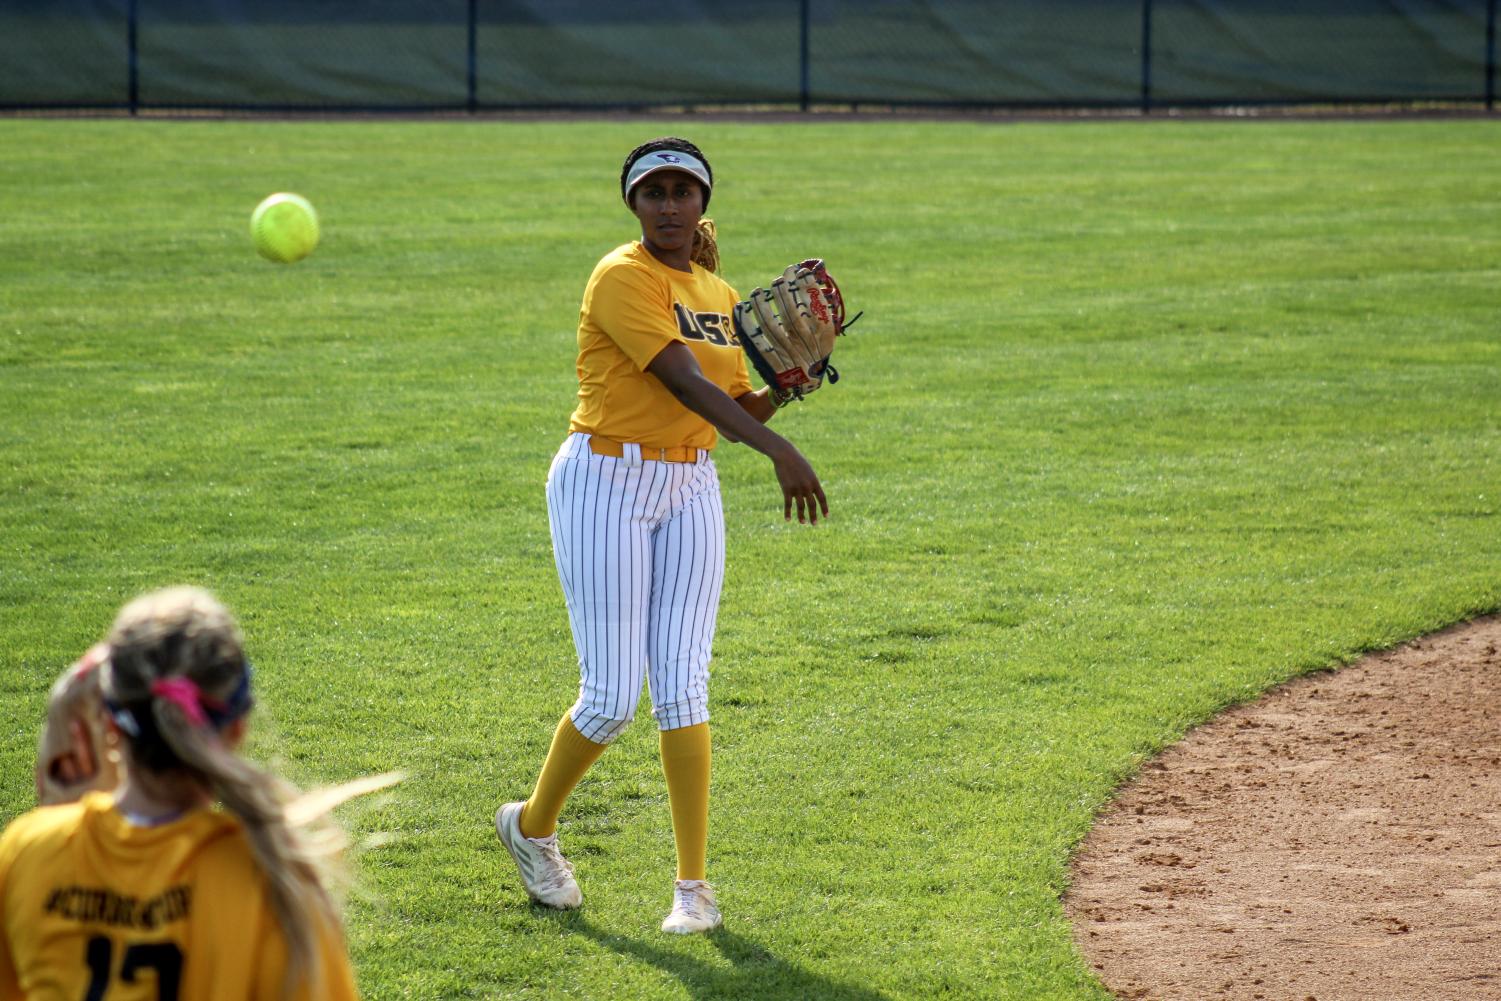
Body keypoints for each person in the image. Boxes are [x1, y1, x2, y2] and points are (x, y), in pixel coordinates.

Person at [495, 137, 827, 934]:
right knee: (610, 699)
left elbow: (734, 409)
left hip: (689, 484)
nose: (670, 204)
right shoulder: (621, 276)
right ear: (632, 203)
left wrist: (787, 388)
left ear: (703, 203)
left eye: (683, 191)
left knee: (683, 687)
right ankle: (531, 826)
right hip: (603, 481)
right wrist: (778, 451)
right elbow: (677, 379)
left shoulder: (718, 290)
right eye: (655, 191)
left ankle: (693, 890)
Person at [0, 586, 361, 1000]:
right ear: (238, 726)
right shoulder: (277, 889)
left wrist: (59, 816)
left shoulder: (26, 853)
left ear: (111, 724)